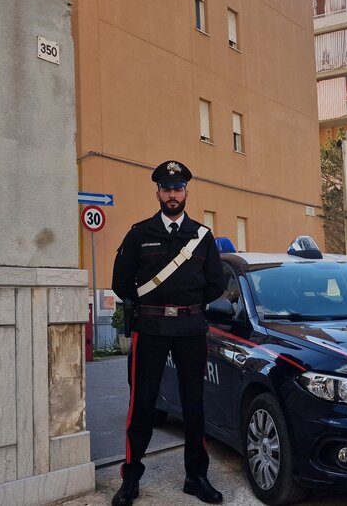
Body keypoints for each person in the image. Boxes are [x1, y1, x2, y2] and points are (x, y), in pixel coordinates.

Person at [110, 160, 227, 505]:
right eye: (166, 189)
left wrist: (187, 306)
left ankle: (197, 477)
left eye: (177, 189)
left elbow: (216, 284)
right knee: (142, 404)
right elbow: (120, 282)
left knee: (194, 405)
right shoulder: (139, 233)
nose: (172, 194)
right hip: (151, 328)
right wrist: (155, 305)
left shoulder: (202, 237)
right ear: (158, 192)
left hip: (190, 329)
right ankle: (130, 479)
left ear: (186, 192)